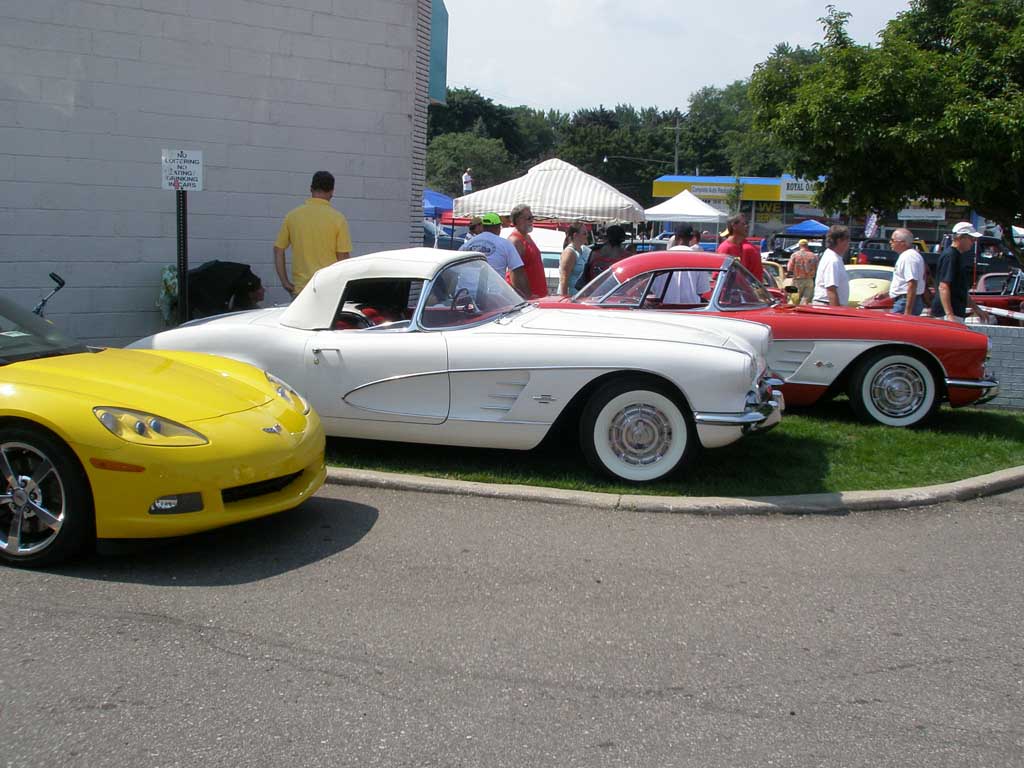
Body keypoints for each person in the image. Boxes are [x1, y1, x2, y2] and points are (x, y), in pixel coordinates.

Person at [273, 170, 351, 297]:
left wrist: (285, 282)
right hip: (329, 288)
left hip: (301, 290)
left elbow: (278, 250)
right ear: (332, 191)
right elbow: (343, 257)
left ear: (311, 189)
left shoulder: (293, 216)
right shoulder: (338, 219)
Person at [931, 222, 990, 323]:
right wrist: (949, 315)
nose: (973, 242)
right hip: (947, 314)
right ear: (961, 237)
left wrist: (976, 309)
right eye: (971, 239)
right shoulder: (950, 256)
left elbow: (960, 289)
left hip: (955, 312)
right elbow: (943, 286)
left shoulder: (957, 256)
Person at [459, 212, 529, 297]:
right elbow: (518, 272)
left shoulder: (468, 244)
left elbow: (456, 270)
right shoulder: (505, 244)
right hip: (493, 297)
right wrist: (526, 295)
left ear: (483, 227)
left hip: (465, 294)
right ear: (497, 227)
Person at [507, 204, 548, 299]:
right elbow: (514, 273)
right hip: (528, 299)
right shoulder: (515, 240)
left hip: (537, 296)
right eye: (529, 218)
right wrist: (526, 297)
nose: (532, 221)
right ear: (518, 220)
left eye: (532, 218)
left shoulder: (527, 237)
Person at [662, 223, 710, 303]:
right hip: (690, 310)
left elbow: (654, 288)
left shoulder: (661, 259)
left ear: (675, 237)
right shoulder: (699, 259)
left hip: (664, 309)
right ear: (691, 238)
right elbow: (702, 289)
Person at [888, 228, 926, 316]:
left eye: (893, 240)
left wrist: (907, 312)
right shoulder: (907, 256)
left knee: (897, 328)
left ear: (902, 242)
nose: (890, 242)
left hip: (904, 302)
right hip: (904, 300)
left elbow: (912, 284)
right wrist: (886, 293)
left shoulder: (909, 257)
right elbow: (904, 283)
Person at [716, 213, 764, 281]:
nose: (747, 226)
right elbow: (717, 276)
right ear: (734, 226)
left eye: (747, 224)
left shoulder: (741, 247)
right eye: (743, 224)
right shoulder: (725, 248)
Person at [812, 225, 852, 306]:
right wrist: (836, 313)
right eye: (847, 240)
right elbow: (831, 289)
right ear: (839, 241)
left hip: (827, 304)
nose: (848, 244)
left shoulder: (833, 257)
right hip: (827, 305)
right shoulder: (832, 260)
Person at [558, 223, 588, 296]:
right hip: (570, 296)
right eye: (584, 233)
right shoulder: (569, 252)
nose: (587, 235)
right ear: (575, 235)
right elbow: (563, 279)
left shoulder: (582, 250)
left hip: (579, 296)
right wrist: (564, 298)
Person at [786, 238, 818, 305]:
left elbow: (789, 268)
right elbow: (817, 268)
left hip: (797, 280)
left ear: (800, 245)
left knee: (794, 299)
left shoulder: (794, 255)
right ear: (807, 245)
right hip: (809, 280)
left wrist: (789, 275)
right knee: (806, 299)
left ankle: (793, 313)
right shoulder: (813, 256)